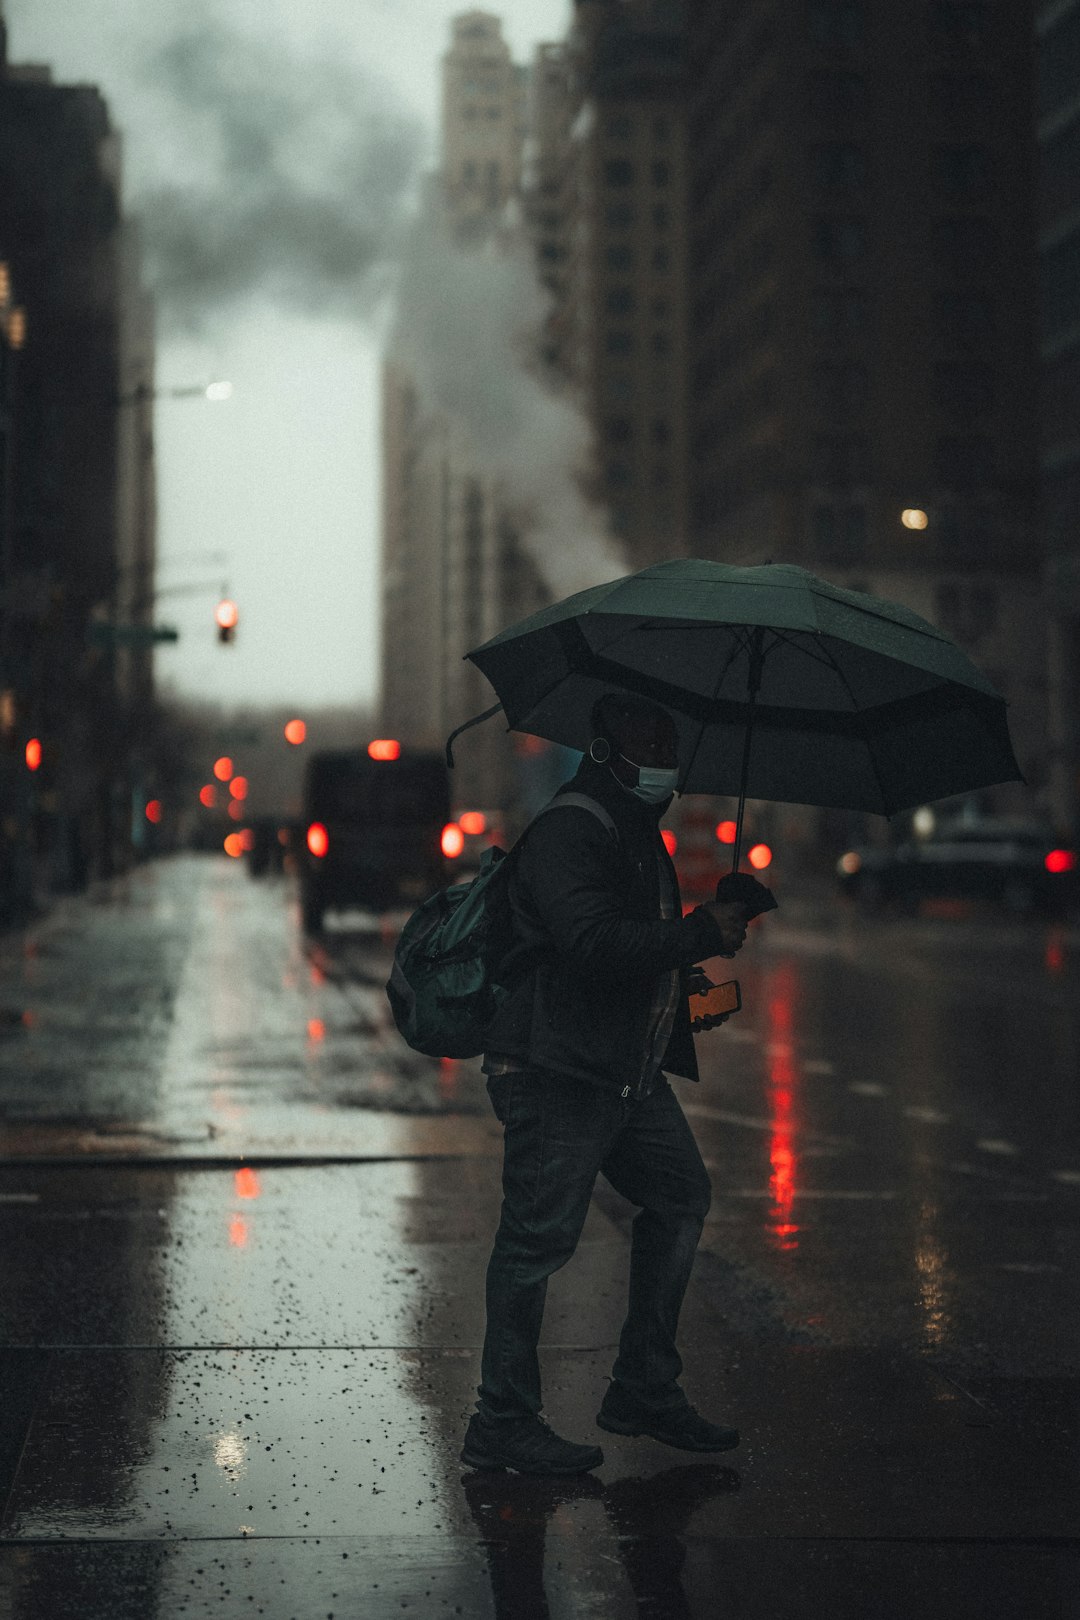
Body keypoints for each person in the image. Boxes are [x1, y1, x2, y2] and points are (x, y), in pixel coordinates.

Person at [461, 692, 756, 1477]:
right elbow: (590, 944)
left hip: (623, 1071)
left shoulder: (635, 833)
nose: (666, 755)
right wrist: (697, 931)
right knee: (535, 1244)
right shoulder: (570, 828)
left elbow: (629, 948)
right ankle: (502, 1420)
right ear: (603, 751)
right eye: (649, 740)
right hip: (557, 1070)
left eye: (672, 738)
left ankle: (644, 1388)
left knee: (680, 1195)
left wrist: (686, 972)